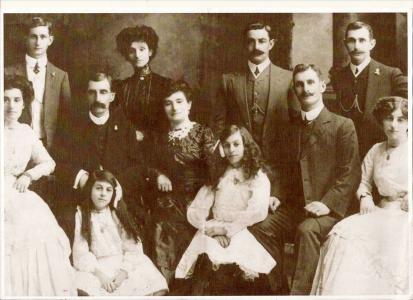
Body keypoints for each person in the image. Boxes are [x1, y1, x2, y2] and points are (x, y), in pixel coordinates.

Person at [271, 64, 361, 295]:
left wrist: (327, 203)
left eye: (310, 82)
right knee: (262, 226)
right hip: (294, 208)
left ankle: (299, 296)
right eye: (299, 84)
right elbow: (280, 169)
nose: (305, 88)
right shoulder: (288, 128)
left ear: (322, 86)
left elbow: (349, 173)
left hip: (328, 210)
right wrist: (276, 194)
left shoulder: (342, 125)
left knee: (307, 230)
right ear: (294, 89)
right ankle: (276, 289)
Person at [311, 96, 408, 295]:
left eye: (401, 119)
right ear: (382, 121)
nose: (394, 125)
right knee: (343, 235)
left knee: (394, 244)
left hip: (406, 214)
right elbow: (363, 181)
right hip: (380, 211)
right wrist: (365, 196)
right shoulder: (376, 150)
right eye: (389, 118)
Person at [175, 125, 276, 295]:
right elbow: (196, 208)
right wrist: (209, 229)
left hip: (240, 228)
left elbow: (257, 210)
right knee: (205, 259)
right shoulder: (219, 173)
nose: (231, 150)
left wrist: (226, 230)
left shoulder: (257, 175)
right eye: (227, 145)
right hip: (213, 228)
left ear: (246, 145)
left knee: (236, 267)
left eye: (236, 144)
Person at [53, 71, 145, 245]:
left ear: (111, 96)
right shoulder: (71, 125)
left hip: (116, 195)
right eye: (92, 92)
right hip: (80, 196)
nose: (98, 98)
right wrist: (80, 176)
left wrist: (116, 184)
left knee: (137, 225)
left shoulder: (125, 126)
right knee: (66, 225)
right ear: (86, 95)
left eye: (103, 92)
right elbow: (57, 161)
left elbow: (138, 166)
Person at [4, 75, 75, 296]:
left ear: (24, 103)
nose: (11, 105)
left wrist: (28, 174)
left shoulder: (26, 132)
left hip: (17, 191)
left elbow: (49, 162)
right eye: (5, 99)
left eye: (16, 100)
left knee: (39, 229)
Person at [148, 80, 216, 286]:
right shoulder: (158, 137)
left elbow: (215, 170)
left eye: (179, 101)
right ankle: (167, 286)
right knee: (160, 226)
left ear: (189, 105)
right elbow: (148, 164)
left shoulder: (203, 133)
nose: (174, 107)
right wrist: (158, 174)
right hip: (167, 201)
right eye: (168, 103)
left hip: (199, 200)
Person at [72, 170, 168, 296]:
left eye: (108, 190)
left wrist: (123, 274)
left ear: (113, 194)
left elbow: (133, 247)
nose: (103, 194)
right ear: (90, 189)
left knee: (150, 282)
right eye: (98, 188)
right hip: (98, 267)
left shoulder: (116, 214)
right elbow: (81, 252)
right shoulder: (82, 214)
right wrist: (101, 277)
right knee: (84, 286)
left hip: (122, 263)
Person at [328, 21, 408, 158]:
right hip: (345, 154)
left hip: (382, 152)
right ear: (345, 43)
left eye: (362, 40)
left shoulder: (390, 74)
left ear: (372, 43)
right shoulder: (337, 77)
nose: (357, 46)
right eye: (352, 41)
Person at [5, 16, 71, 150]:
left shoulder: (60, 76)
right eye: (33, 37)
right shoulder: (7, 73)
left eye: (43, 37)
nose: (38, 42)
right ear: (26, 39)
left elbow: (66, 119)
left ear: (50, 40)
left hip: (49, 146)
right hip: (15, 145)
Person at [114, 24, 171, 138]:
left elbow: (169, 124)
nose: (137, 55)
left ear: (150, 51)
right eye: (132, 51)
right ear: (127, 55)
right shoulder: (122, 87)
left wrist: (145, 136)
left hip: (154, 148)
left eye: (142, 49)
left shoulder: (165, 85)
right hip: (126, 147)